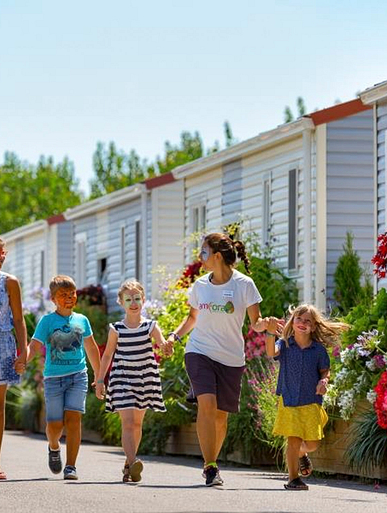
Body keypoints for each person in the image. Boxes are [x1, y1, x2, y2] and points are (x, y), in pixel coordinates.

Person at [166, 232, 279, 487]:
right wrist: (174, 337)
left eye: (204, 252)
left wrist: (269, 324)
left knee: (220, 416)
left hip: (230, 358)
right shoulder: (201, 286)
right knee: (207, 404)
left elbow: (255, 323)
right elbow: (192, 318)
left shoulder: (244, 284)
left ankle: (212, 460)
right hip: (199, 351)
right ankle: (210, 466)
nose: (200, 256)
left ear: (217, 256)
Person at [95, 279, 172, 483]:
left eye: (137, 298)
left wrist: (167, 346)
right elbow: (107, 355)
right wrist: (100, 380)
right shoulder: (116, 329)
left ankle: (129, 466)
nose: (133, 303)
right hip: (122, 378)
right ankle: (133, 460)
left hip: (144, 377)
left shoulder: (150, 326)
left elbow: (162, 344)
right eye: (128, 299)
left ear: (143, 300)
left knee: (137, 424)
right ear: (121, 302)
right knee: (127, 422)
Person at [265, 304, 348, 491]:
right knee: (293, 440)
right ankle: (293, 479)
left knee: (312, 444)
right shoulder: (284, 344)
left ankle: (302, 454)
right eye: (299, 319)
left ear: (314, 326)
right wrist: (270, 333)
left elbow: (325, 371)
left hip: (311, 401)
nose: (303, 323)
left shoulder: (318, 350)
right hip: (289, 399)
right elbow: (271, 353)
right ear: (292, 322)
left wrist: (324, 381)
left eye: (307, 321)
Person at [27, 275, 100, 480]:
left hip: (78, 376)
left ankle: (71, 466)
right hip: (53, 379)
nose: (69, 298)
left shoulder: (82, 320)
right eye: (63, 295)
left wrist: (100, 376)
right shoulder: (47, 321)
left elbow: (92, 348)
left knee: (74, 419)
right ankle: (53, 446)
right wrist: (22, 360)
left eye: (72, 294)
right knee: (55, 425)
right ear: (53, 298)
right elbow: (35, 345)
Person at [0, 237, 28, 480]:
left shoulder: (10, 283)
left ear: (3, 254)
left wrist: (24, 350)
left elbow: (18, 320)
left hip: (3, 346)